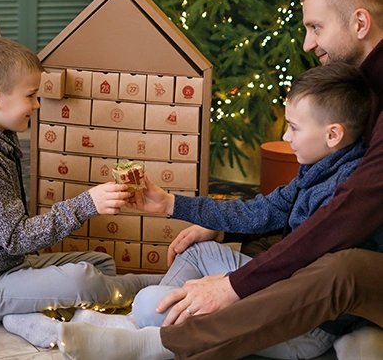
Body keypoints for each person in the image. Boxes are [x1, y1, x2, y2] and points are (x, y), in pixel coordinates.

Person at [56, 62, 381, 359]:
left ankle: (146, 332)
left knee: (147, 304)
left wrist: (230, 286)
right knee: (195, 250)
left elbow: (300, 277)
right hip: (279, 282)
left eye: (294, 128)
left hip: (303, 324)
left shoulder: (344, 185)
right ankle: (152, 319)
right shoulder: (319, 167)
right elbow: (260, 212)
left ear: (333, 134)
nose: (285, 136)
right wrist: (170, 204)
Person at [0, 36, 162, 349]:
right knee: (86, 281)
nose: (37, 104)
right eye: (31, 96)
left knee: (101, 265)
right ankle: (163, 285)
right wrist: (86, 204)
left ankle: (30, 315)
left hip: (6, 267)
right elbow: (17, 237)